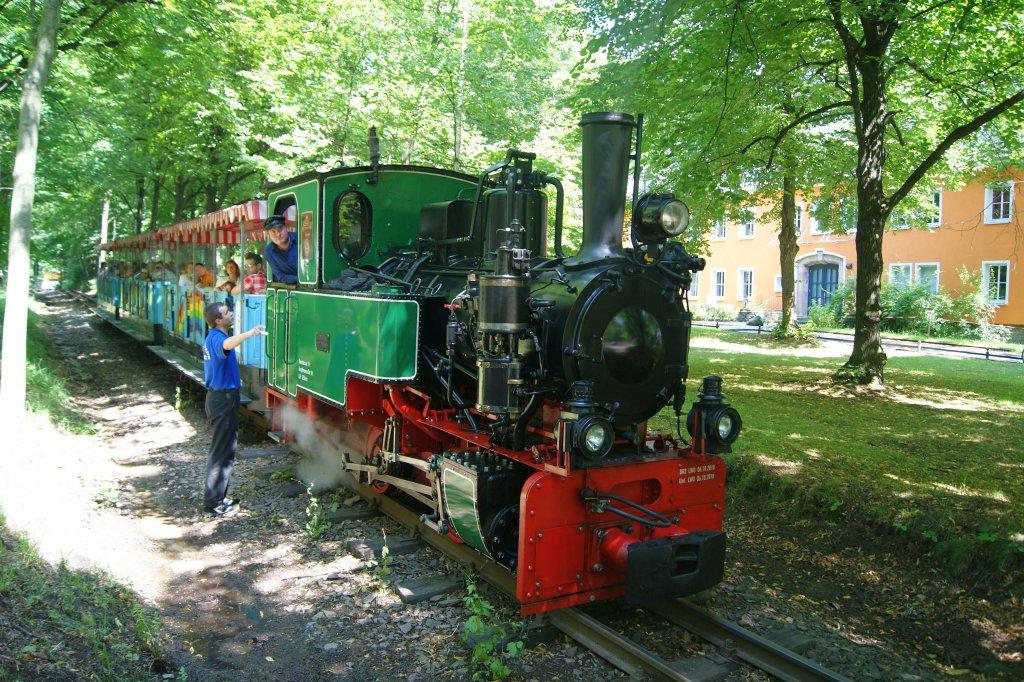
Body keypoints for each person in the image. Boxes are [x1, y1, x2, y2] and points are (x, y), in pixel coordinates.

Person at [201, 302, 265, 517]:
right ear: (218, 320)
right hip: (222, 399)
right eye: (226, 313)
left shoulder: (211, 336)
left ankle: (219, 497)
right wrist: (249, 333)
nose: (231, 314)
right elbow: (228, 344)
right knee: (221, 453)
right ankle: (213, 503)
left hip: (220, 398)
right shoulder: (218, 339)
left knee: (224, 451)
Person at [263, 215, 298, 284]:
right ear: (268, 234)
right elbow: (280, 276)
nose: (278, 234)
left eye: (280, 229)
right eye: (273, 231)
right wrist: (300, 280)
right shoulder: (268, 251)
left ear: (286, 228)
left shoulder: (300, 239)